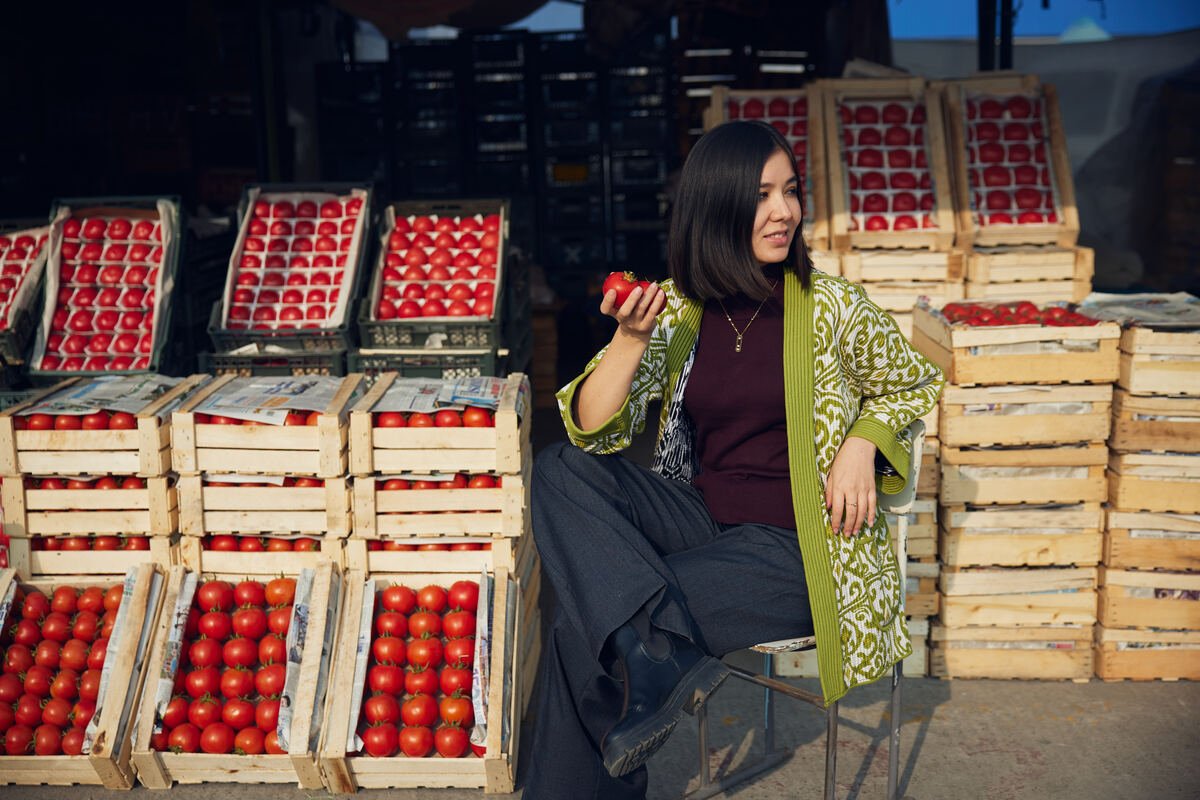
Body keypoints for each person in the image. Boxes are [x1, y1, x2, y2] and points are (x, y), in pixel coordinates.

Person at [525, 120, 943, 799]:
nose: (783, 211)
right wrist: (630, 340)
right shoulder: (683, 310)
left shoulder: (834, 307)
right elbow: (593, 431)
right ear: (715, 206)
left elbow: (914, 381)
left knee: (586, 625)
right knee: (560, 470)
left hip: (798, 546)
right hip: (698, 518)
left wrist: (864, 441)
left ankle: (640, 662)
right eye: (760, 195)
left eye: (790, 191)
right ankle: (650, 652)